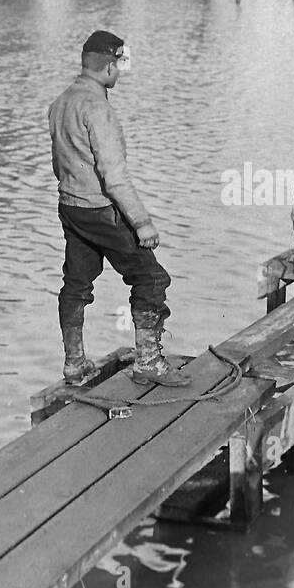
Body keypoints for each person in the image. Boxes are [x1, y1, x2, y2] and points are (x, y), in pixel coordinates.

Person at [48, 30, 190, 387]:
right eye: (119, 66)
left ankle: (75, 364)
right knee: (151, 278)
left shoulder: (61, 103)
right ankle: (148, 362)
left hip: (70, 206)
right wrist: (142, 223)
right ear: (109, 66)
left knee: (76, 284)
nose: (121, 73)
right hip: (100, 210)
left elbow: (57, 165)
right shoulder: (99, 110)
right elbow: (114, 177)